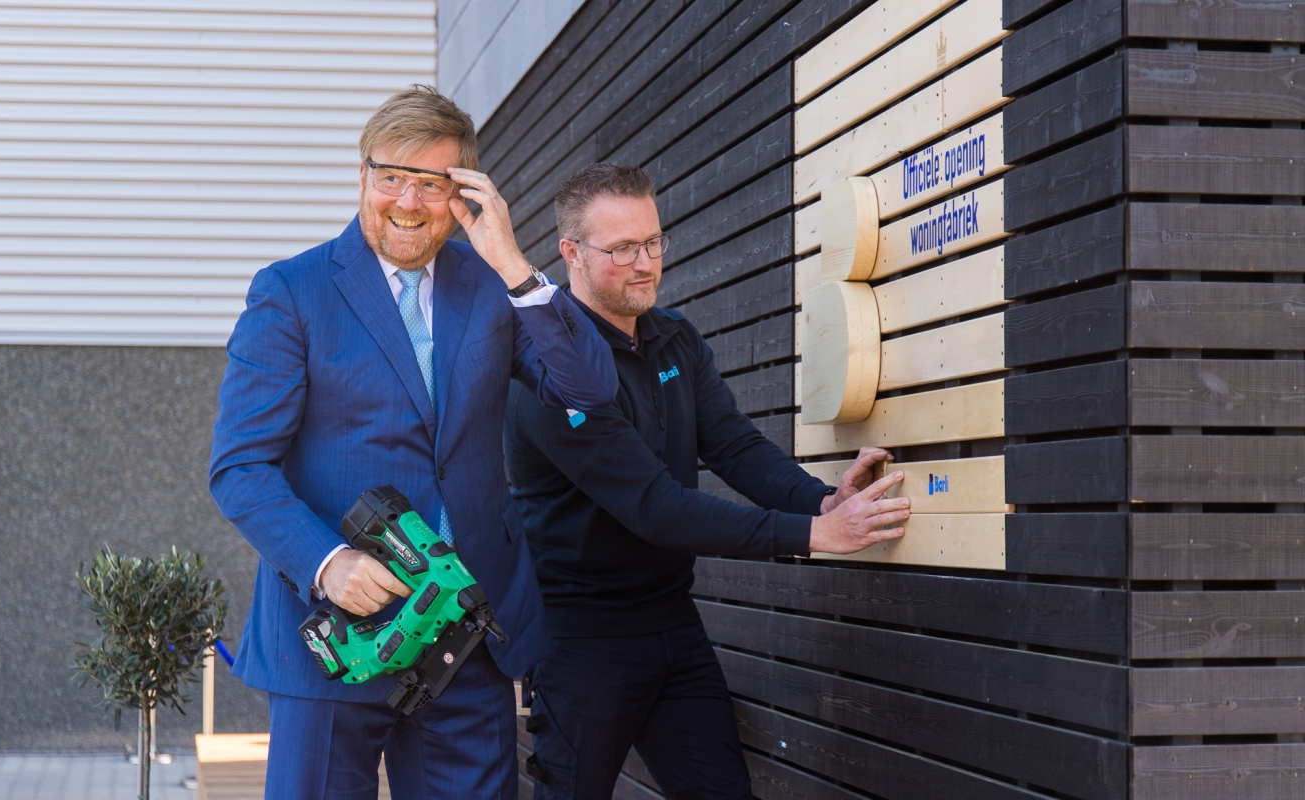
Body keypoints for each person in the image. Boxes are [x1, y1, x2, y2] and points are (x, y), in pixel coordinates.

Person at [209, 86, 617, 799]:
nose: (405, 200)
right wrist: (326, 563)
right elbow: (240, 467)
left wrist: (514, 263)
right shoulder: (292, 291)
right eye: (389, 175)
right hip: (336, 635)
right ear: (362, 177)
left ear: (461, 193)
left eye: (429, 183)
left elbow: (588, 389)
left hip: (468, 638)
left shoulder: (492, 286)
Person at [503, 163, 909, 800]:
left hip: (672, 625)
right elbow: (656, 508)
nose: (645, 263)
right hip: (582, 642)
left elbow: (734, 446)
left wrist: (822, 498)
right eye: (622, 249)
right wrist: (814, 533)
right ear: (570, 254)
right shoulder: (548, 378)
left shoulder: (675, 340)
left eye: (653, 241)